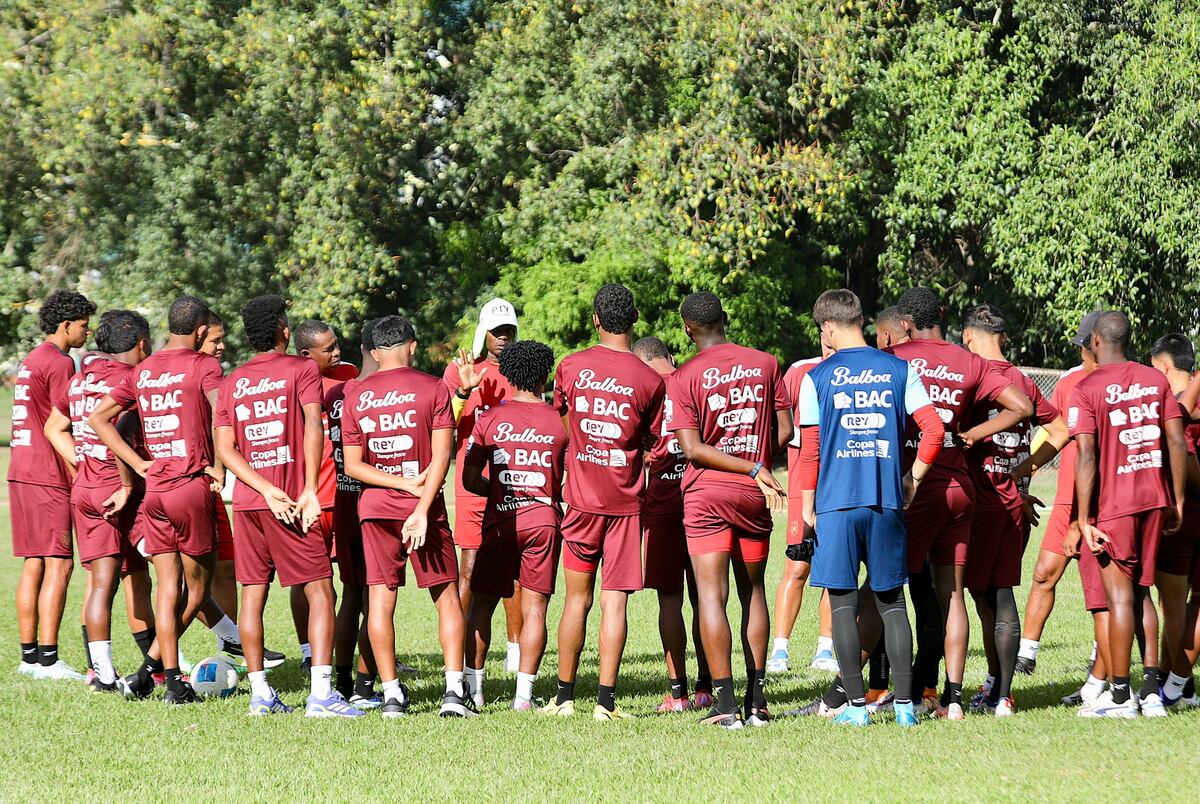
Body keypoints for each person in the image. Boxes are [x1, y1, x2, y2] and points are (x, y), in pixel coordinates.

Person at [796, 289, 945, 727]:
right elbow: (933, 431)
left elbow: (809, 452)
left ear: (827, 327)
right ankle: (903, 708)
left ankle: (856, 709)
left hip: (837, 505)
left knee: (842, 604)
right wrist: (912, 479)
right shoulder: (900, 368)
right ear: (861, 320)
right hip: (886, 502)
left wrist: (807, 507)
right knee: (892, 604)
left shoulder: (816, 377)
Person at [889, 287, 1033, 719]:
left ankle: (878, 692)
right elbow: (1021, 406)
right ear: (943, 316)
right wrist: (973, 435)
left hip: (915, 488)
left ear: (906, 324)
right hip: (960, 488)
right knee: (952, 596)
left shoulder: (897, 358)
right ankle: (953, 699)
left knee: (888, 591)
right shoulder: (968, 361)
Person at [214, 295, 360, 718]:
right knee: (320, 591)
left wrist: (260, 488)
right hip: (294, 501)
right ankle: (321, 695)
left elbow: (226, 447)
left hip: (249, 504)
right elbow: (314, 425)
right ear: (282, 330)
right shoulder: (301, 369)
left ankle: (260, 695)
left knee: (252, 597)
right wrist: (310, 488)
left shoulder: (232, 380)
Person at [540, 284, 665, 721]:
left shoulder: (571, 365)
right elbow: (649, 437)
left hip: (580, 501)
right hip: (627, 505)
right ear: (634, 318)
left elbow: (560, 417)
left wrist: (580, 449)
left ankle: (563, 697)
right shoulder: (651, 379)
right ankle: (605, 704)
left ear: (595, 319)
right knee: (616, 602)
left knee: (577, 599)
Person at [90, 296, 223, 704]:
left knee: (168, 588)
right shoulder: (204, 366)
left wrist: (139, 465)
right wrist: (219, 466)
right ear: (201, 330)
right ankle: (160, 673)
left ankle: (165, 678)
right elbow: (222, 417)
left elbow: (99, 418)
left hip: (157, 493)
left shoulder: (144, 371)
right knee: (197, 593)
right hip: (189, 487)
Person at [669, 291, 792, 729]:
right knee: (753, 591)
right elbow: (786, 429)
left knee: (710, 595)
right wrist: (756, 460)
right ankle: (757, 703)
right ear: (724, 318)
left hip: (706, 495)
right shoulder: (766, 362)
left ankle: (725, 706)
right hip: (753, 493)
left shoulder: (683, 376)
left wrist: (746, 462)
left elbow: (692, 449)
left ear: (687, 329)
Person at [342, 315, 470, 718]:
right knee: (446, 597)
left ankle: (392, 695)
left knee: (379, 599)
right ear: (412, 346)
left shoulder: (356, 394)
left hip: (376, 508)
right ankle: (453, 693)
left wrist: (396, 485)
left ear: (375, 352)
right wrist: (418, 503)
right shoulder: (433, 387)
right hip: (424, 508)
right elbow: (441, 457)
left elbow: (352, 466)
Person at [1072, 311, 1188, 718]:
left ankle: (1121, 696)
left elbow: (1086, 454)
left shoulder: (1086, 387)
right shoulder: (1155, 379)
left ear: (1098, 342)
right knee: (1142, 591)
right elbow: (1175, 439)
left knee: (1119, 596)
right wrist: (1176, 499)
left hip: (1115, 506)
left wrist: (1084, 518)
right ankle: (1153, 691)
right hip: (1155, 499)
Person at [960, 304, 1069, 716]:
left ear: (969, 337)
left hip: (981, 499)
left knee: (984, 595)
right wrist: (1021, 473)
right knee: (997, 592)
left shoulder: (971, 374)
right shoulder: (1023, 380)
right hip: (1014, 501)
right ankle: (1000, 691)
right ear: (1002, 337)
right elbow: (1060, 431)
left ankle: (994, 687)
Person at [43, 310, 154, 692]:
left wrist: (82, 459)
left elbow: (53, 428)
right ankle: (228, 636)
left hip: (87, 490)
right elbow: (120, 429)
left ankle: (102, 673)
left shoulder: (79, 380)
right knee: (176, 570)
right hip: (120, 490)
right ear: (142, 343)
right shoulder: (131, 380)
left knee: (106, 582)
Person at [462, 340, 566, 711]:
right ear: (545, 375)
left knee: (482, 604)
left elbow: (468, 478)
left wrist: (501, 490)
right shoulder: (559, 420)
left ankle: (473, 692)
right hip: (544, 520)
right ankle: (523, 697)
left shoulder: (489, 418)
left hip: (501, 520)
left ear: (505, 374)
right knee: (535, 608)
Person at [10, 290, 95, 681]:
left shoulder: (30, 360)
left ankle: (28, 658)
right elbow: (69, 421)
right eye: (83, 324)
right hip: (48, 475)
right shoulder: (60, 363)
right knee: (59, 565)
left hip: (19, 469)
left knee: (34, 564)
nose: (87, 331)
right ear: (66, 325)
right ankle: (48, 660)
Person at [1015, 311, 1104, 678]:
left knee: (1104, 592)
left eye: (1083, 346)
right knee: (1043, 574)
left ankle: (1103, 664)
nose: (1080, 353)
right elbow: (1060, 434)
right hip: (1069, 495)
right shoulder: (1069, 382)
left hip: (1107, 503)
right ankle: (1026, 656)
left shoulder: (1124, 383)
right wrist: (1026, 469)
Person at [197, 311, 286, 671]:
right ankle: (157, 665)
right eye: (214, 340)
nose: (221, 346)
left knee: (226, 568)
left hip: (210, 487)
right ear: (197, 334)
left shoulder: (214, 373)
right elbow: (225, 423)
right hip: (182, 489)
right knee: (185, 582)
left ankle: (230, 642)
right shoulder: (207, 373)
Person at [444, 299, 525, 673]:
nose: (504, 338)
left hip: (516, 484)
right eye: (497, 332)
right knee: (470, 573)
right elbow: (442, 422)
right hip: (475, 485)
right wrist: (463, 392)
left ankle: (515, 653)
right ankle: (459, 653)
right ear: (483, 334)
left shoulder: (523, 372)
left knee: (517, 573)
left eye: (509, 330)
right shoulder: (460, 371)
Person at [633, 335, 712, 712]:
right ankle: (708, 686)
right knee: (707, 598)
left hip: (662, 504)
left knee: (670, 599)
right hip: (701, 497)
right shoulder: (695, 380)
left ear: (641, 362)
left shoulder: (642, 390)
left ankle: (678, 693)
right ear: (670, 356)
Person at [324, 319, 389, 706]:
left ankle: (345, 681)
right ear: (375, 350)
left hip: (342, 500)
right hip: (373, 504)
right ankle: (364, 687)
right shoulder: (375, 394)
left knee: (352, 594)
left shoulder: (335, 393)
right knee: (374, 596)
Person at [295, 319, 359, 680]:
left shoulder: (348, 374)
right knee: (310, 581)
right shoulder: (294, 381)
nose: (338, 352)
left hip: (348, 493)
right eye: (329, 348)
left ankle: (359, 653)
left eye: (337, 344)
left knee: (356, 584)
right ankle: (309, 653)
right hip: (311, 496)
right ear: (306, 354)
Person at [768, 343, 837, 676]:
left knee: (836, 569)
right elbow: (779, 425)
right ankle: (779, 650)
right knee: (796, 566)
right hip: (802, 484)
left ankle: (826, 647)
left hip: (840, 486)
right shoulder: (799, 370)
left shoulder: (858, 369)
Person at [1150, 334, 1200, 708]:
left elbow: (1190, 462)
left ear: (1165, 367)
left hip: (1183, 516)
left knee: (1174, 602)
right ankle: (1176, 682)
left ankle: (1173, 685)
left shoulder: (1175, 407)